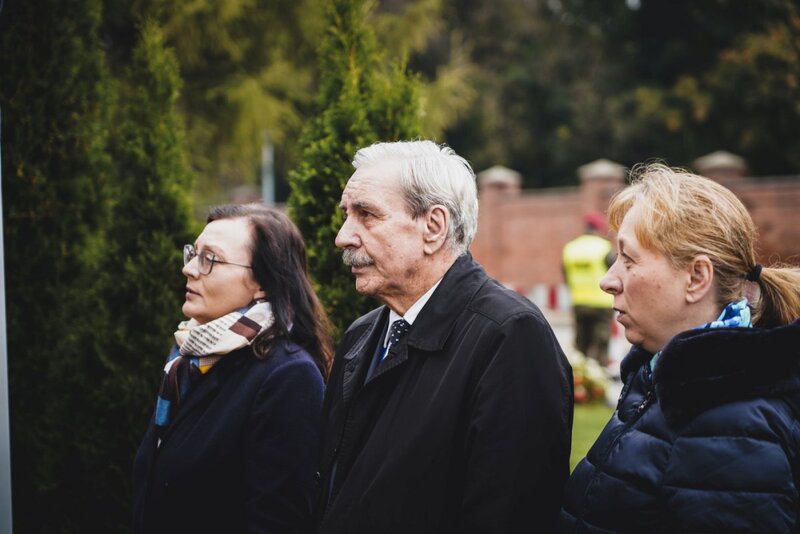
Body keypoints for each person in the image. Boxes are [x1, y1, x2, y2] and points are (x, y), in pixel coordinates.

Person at [317, 140, 574, 534]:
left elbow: (510, 513)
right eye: (346, 215)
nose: (343, 236)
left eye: (366, 215)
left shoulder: (510, 337)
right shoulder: (361, 334)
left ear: (433, 227)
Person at [560, 163, 800, 533]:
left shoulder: (729, 432)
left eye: (628, 259)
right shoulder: (662, 379)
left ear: (697, 278)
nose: (608, 280)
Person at [133, 203, 332, 534]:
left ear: (262, 283)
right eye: (193, 254)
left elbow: (279, 521)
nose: (189, 269)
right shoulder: (188, 358)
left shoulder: (288, 375)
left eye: (210, 259)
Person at [562, 212, 615, 367]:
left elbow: (566, 276)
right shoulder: (604, 247)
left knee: (581, 344)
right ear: (598, 228)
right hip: (602, 303)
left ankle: (580, 375)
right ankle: (599, 374)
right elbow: (614, 274)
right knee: (601, 343)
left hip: (579, 301)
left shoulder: (570, 248)